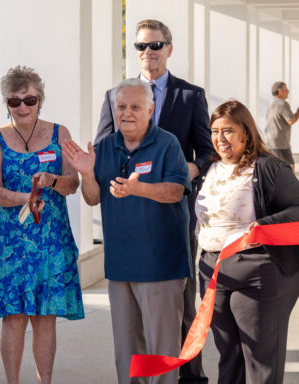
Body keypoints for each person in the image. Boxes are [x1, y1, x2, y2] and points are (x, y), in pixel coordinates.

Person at [94, 19, 212, 384]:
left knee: (181, 303)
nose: (148, 52)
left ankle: (190, 374)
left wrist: (176, 173)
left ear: (169, 49)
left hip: (172, 216)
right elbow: (102, 150)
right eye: (141, 46)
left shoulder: (190, 95)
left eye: (156, 46)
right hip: (128, 220)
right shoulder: (117, 95)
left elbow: (207, 153)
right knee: (134, 324)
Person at [64, 78, 192, 384]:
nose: (127, 113)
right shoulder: (106, 146)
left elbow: (175, 191)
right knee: (127, 351)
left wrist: (138, 189)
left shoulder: (167, 144)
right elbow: (93, 198)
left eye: (135, 106)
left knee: (161, 352)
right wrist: (86, 175)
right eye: (121, 107)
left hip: (161, 266)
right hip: (120, 266)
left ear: (151, 109)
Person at [0, 65, 84, 384]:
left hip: (51, 241)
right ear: (6, 103)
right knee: (13, 318)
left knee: (45, 317)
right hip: (10, 243)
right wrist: (24, 197)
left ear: (41, 100)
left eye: (30, 99)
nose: (23, 107)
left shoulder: (60, 134)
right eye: (15, 101)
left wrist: (52, 180)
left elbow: (73, 184)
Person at [196, 100, 299, 384]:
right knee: (229, 356)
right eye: (215, 131)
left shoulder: (269, 168)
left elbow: (296, 209)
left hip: (259, 274)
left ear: (245, 132)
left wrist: (264, 225)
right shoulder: (210, 168)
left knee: (260, 361)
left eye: (228, 131)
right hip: (214, 274)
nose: (220, 138)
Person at [264, 81, 299, 172]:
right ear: (280, 91)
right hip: (280, 143)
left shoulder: (271, 103)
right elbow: (291, 120)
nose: (288, 91)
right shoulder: (282, 104)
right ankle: (292, 184)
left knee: (275, 166)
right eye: (286, 89)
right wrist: (298, 113)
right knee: (289, 164)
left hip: (270, 141)